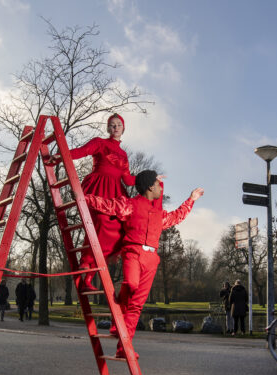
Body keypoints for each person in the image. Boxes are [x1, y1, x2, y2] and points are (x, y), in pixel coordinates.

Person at [85, 170, 204, 358]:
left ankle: (123, 347)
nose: (159, 188)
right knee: (131, 284)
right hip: (133, 252)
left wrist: (192, 199)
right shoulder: (130, 205)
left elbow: (178, 216)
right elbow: (107, 205)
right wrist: (83, 198)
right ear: (150, 186)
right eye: (157, 185)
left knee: (137, 305)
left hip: (151, 259)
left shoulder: (159, 214)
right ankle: (118, 322)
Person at [52, 114, 136, 292]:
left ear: (123, 128)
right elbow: (81, 152)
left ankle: (88, 276)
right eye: (112, 125)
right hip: (98, 187)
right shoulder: (100, 142)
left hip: (115, 192)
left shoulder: (124, 154)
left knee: (120, 231)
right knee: (101, 223)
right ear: (107, 128)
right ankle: (86, 264)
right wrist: (61, 156)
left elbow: (128, 180)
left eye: (118, 125)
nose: (115, 128)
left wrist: (149, 180)